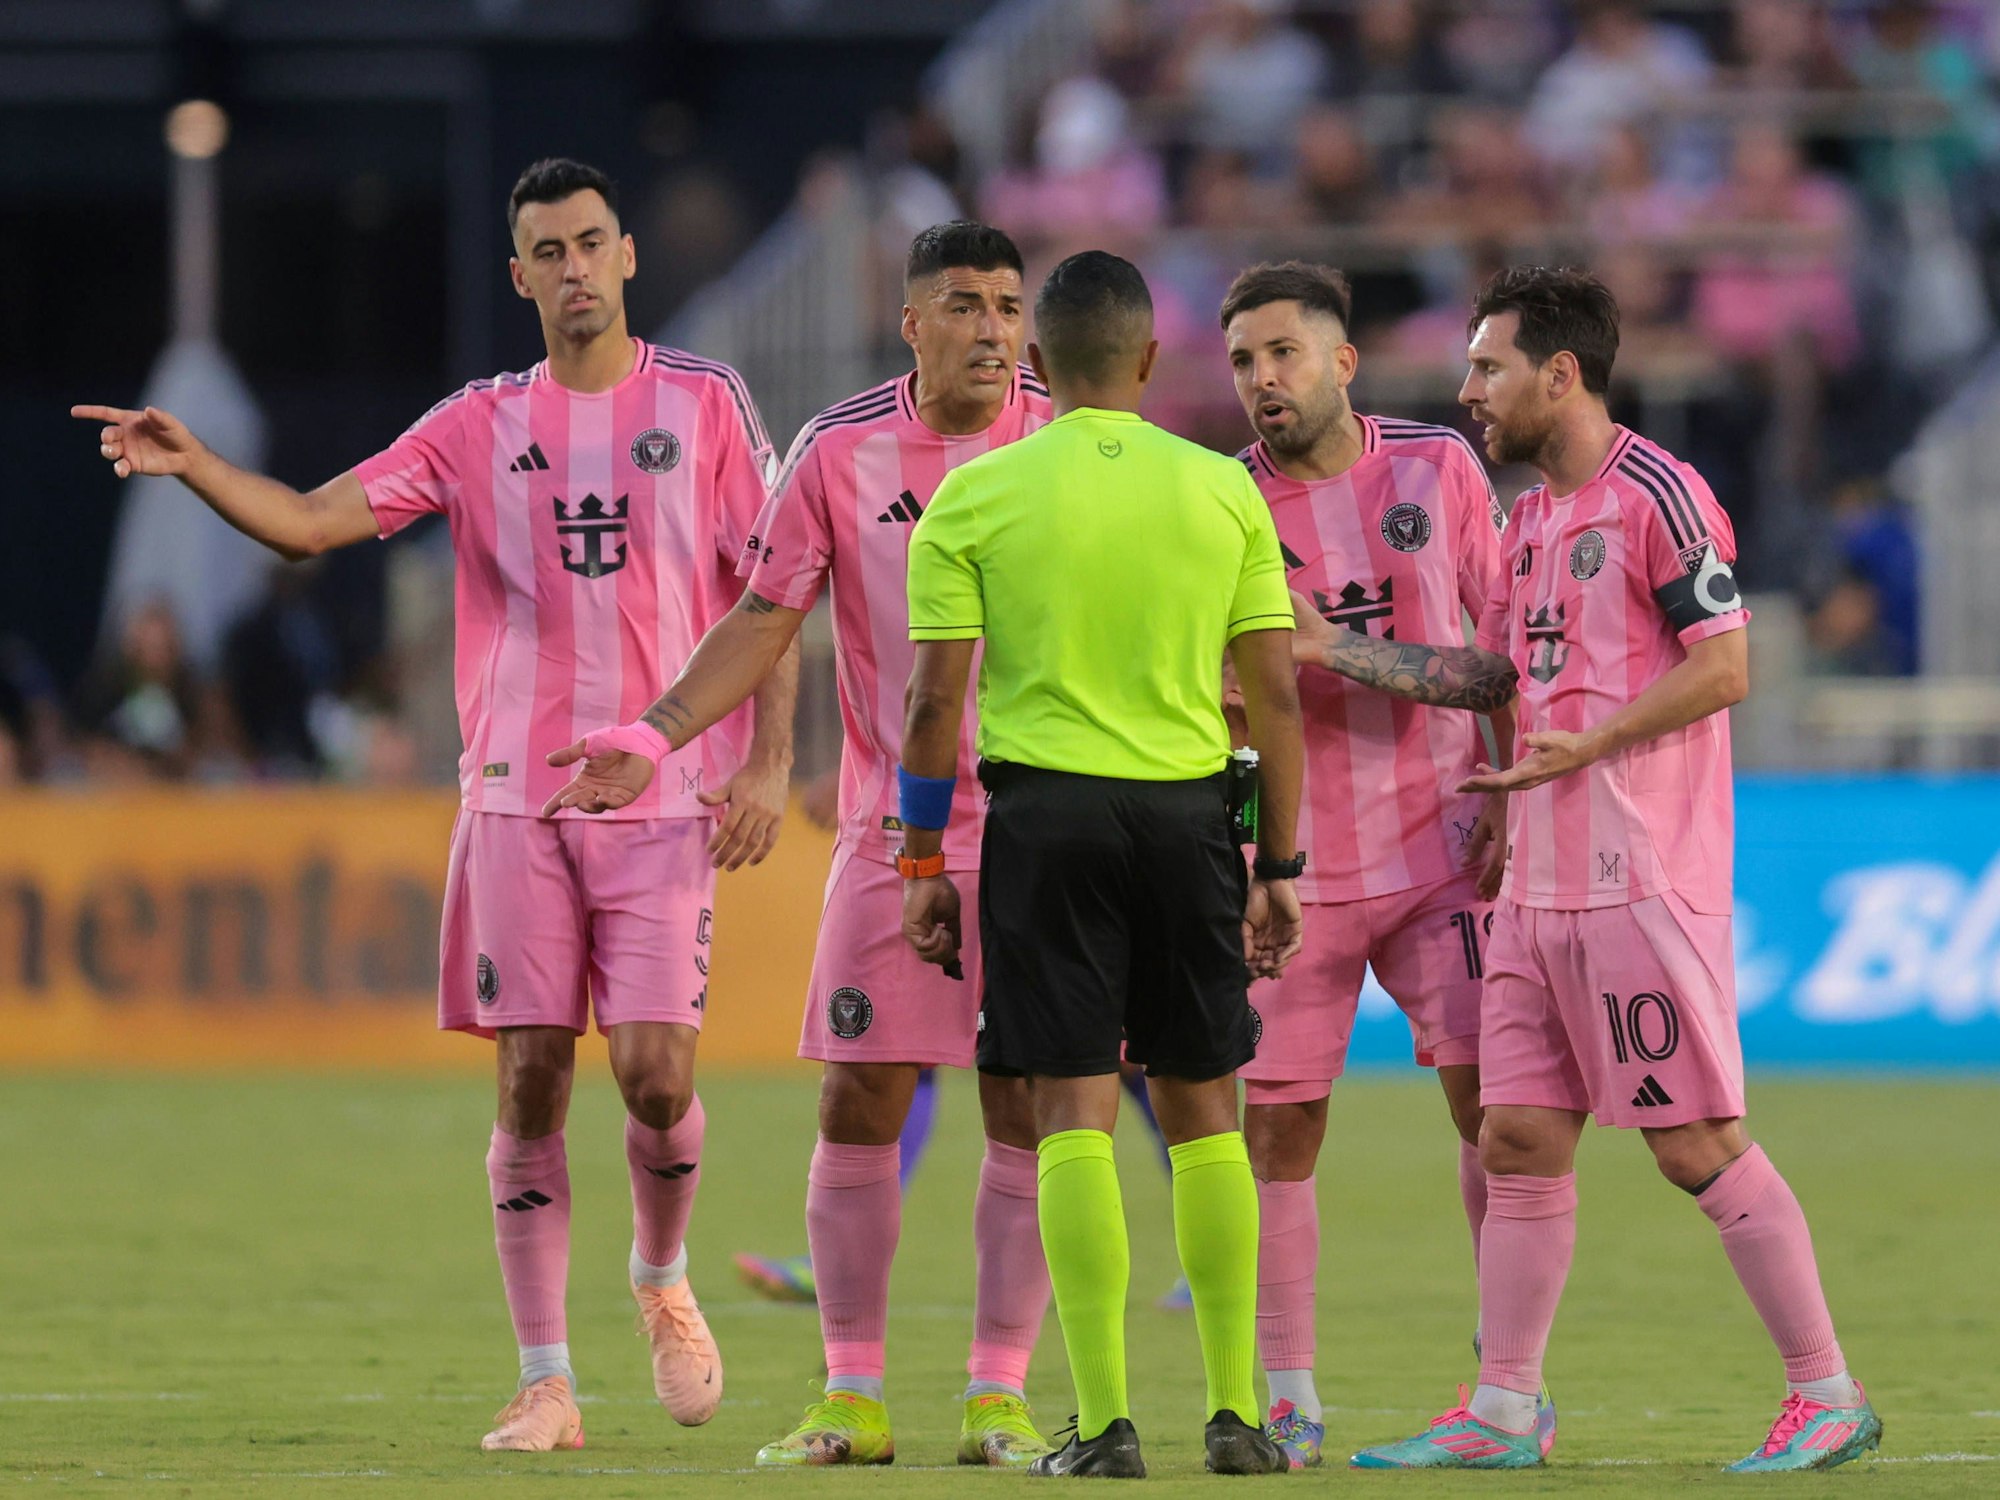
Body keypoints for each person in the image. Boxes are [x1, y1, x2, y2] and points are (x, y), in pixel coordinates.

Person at [74, 157, 798, 1454]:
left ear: (628, 254)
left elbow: (773, 591)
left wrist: (766, 763)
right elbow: (306, 524)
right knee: (529, 1082)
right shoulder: (476, 424)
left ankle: (660, 1274)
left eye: (591, 243)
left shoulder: (702, 405)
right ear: (519, 275)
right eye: (547, 251)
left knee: (651, 1074)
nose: (574, 269)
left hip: (662, 797)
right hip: (513, 801)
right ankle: (545, 1380)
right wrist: (196, 467)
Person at [1326, 265, 1878, 1472]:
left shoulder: (1658, 496)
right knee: (1513, 1140)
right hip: (1531, 892)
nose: (1468, 390)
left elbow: (1724, 666)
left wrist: (1596, 739)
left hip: (1636, 875)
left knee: (1690, 1143)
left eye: (1488, 367)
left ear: (1558, 373)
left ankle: (1824, 1390)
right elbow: (1492, 679)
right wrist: (1332, 648)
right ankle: (1503, 1409)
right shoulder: (1524, 522)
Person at [541, 222, 1059, 1468]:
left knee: (1028, 1107)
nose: (990, 327)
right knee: (857, 1098)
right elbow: (764, 617)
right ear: (911, 323)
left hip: (1053, 829)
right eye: (962, 305)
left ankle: (997, 1397)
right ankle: (853, 1395)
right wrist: (661, 737)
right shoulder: (836, 447)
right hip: (894, 833)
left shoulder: (1065, 443)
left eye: (1005, 304)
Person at [896, 249, 1305, 1478]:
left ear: (1036, 360)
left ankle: (1108, 1423)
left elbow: (931, 704)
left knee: (1068, 1108)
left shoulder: (973, 498)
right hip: (1188, 820)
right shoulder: (1223, 494)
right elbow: (1273, 697)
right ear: (1144, 359)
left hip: (1044, 822)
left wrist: (924, 858)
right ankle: (1238, 1416)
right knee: (1203, 1112)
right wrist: (1273, 861)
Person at [1215, 261, 1549, 1469]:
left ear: (1341, 361)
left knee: (1494, 1118)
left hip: (1440, 853)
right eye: (1244, 359)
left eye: (1283, 354)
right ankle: (1290, 1394)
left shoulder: (1435, 469)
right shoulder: (1219, 503)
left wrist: (1509, 802)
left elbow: (1495, 663)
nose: (1262, 380)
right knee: (1280, 1132)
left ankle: (1505, 1390)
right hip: (1290, 868)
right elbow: (1213, 697)